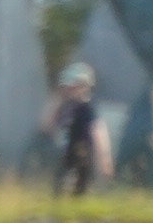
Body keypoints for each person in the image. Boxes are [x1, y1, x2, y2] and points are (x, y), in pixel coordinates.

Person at [47, 63, 112, 198]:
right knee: (59, 188)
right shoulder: (65, 107)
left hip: (82, 155)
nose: (68, 91)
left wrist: (104, 159)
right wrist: (57, 99)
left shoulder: (86, 110)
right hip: (66, 154)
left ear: (84, 87)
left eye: (72, 87)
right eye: (67, 88)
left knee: (77, 189)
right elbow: (46, 126)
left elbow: (99, 134)